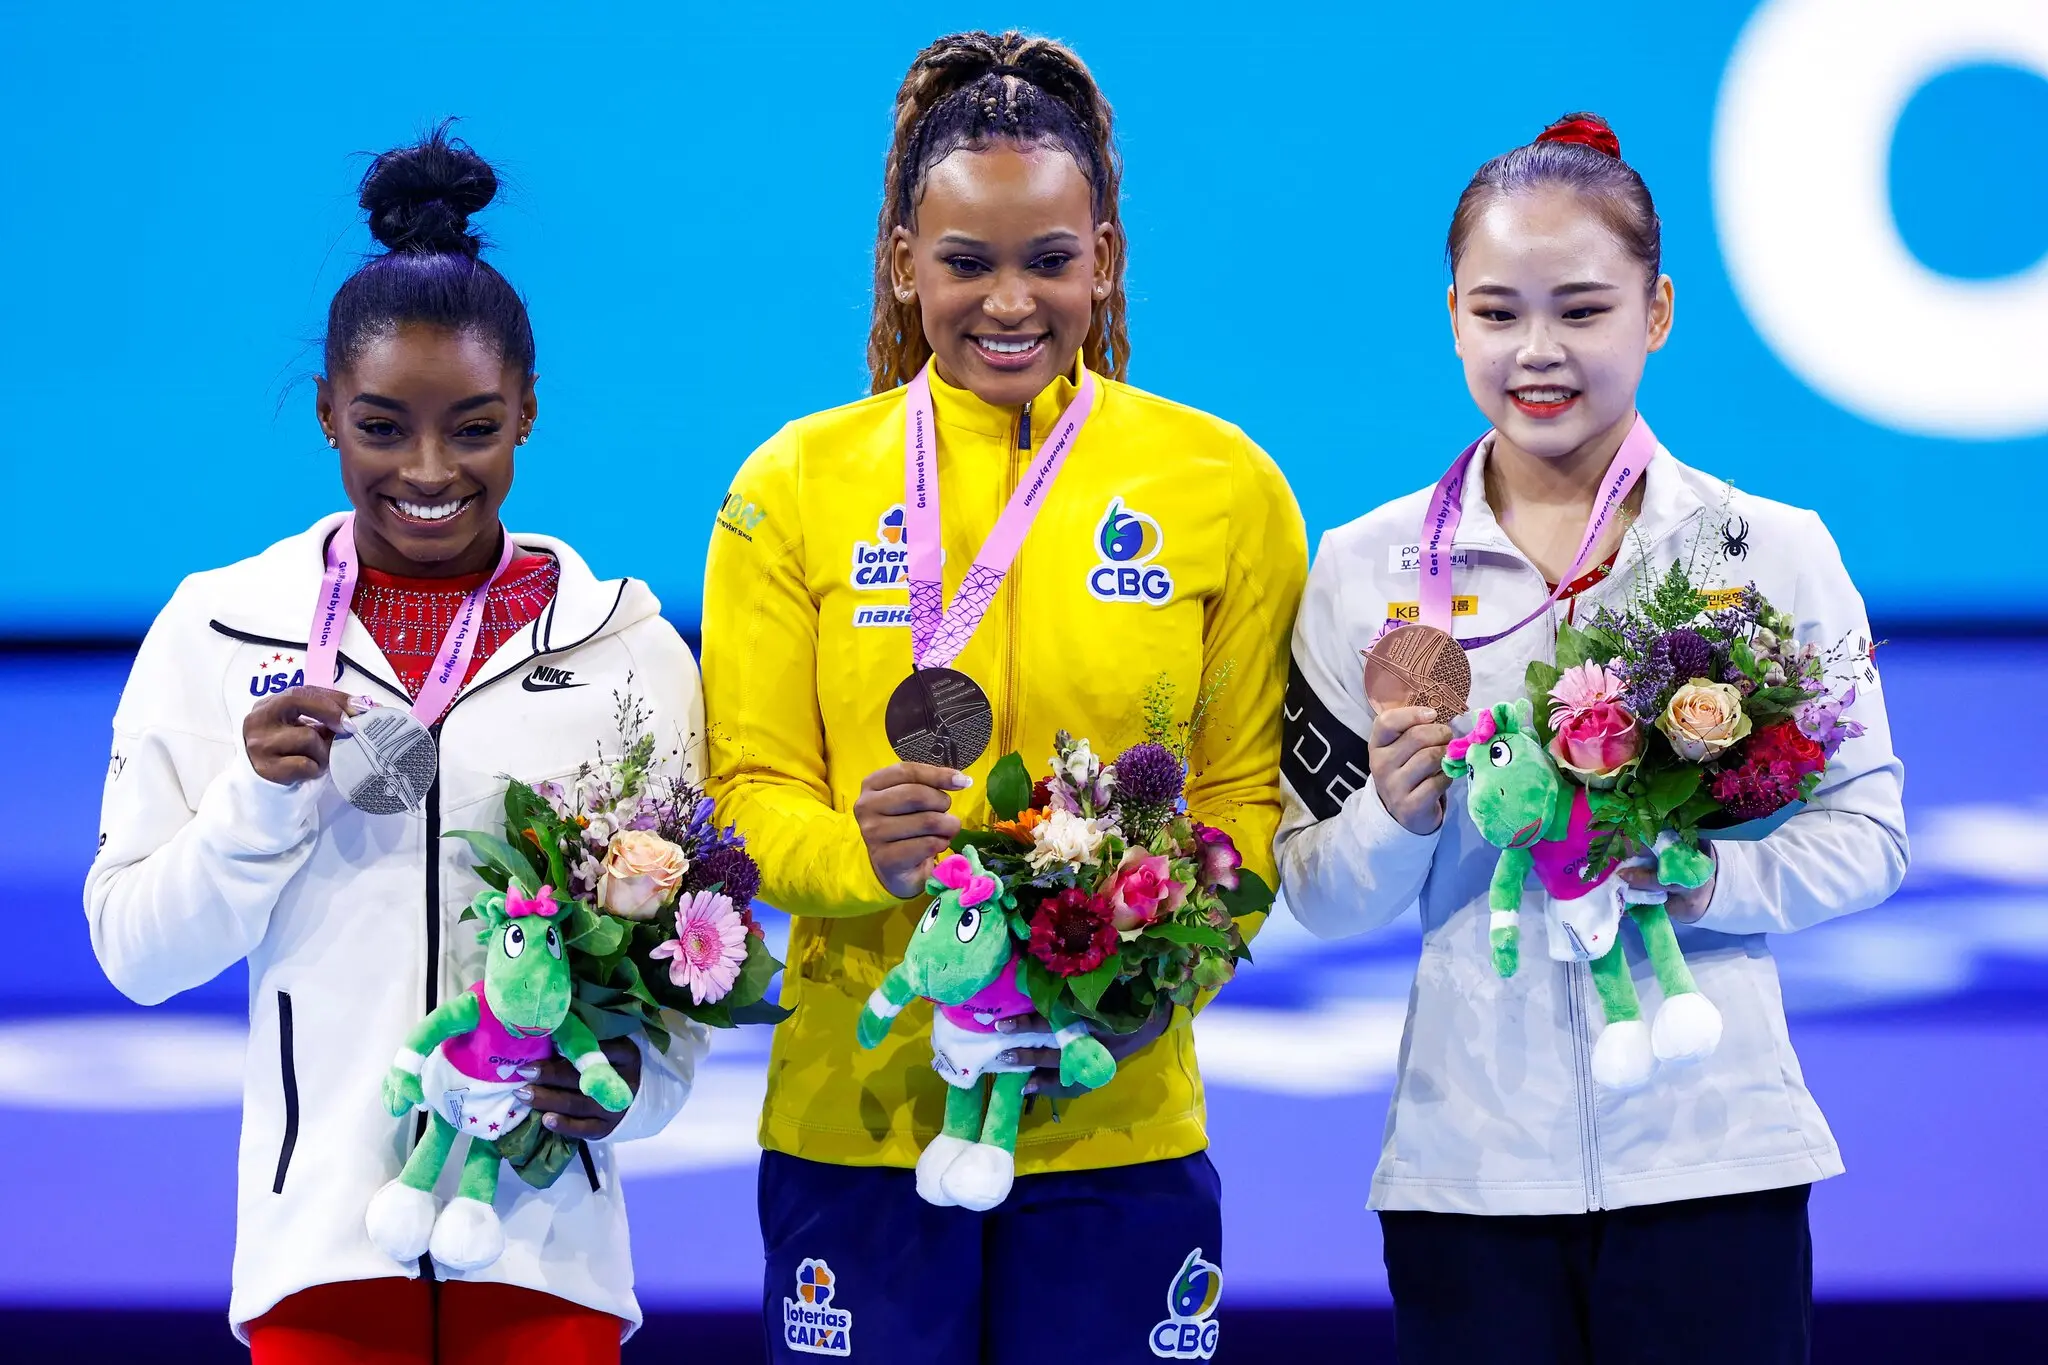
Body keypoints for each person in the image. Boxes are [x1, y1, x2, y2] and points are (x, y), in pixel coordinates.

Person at [700, 30, 1307, 1364]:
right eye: (967, 263)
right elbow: (747, 796)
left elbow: (1241, 796)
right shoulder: (788, 489)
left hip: (1119, 1117)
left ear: (1107, 258)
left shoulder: (1226, 489)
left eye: (1050, 259)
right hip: (859, 1120)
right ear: (906, 265)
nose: (1010, 301)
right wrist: (859, 855)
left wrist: (1166, 973)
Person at [1275, 112, 1909, 1364]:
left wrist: (1704, 875)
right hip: (1466, 1175)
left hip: (1713, 1150)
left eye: (1580, 309)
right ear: (1450, 313)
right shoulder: (1362, 572)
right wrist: (1393, 821)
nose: (1537, 352)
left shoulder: (1768, 552)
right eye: (1497, 312)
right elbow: (1315, 892)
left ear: (1655, 310)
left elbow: (1869, 836)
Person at [83, 125, 706, 1365]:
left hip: (545, 1245)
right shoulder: (218, 626)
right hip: (318, 1251)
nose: (429, 471)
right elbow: (137, 957)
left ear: (529, 410)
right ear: (325, 413)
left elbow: (682, 971)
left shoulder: (629, 646)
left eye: (473, 428)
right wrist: (254, 807)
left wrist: (633, 1090)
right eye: (382, 427)